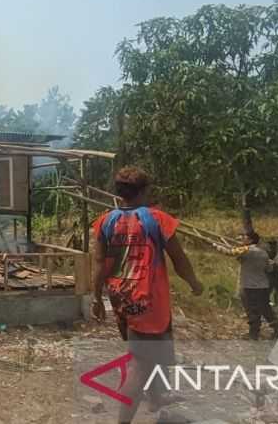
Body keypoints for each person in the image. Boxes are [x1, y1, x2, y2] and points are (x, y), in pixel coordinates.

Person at [91, 166, 203, 424]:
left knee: (148, 354)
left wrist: (97, 298)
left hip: (121, 297)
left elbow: (99, 263)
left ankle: (155, 399)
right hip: (149, 302)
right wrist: (194, 283)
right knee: (140, 364)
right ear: (143, 190)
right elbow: (179, 259)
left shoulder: (106, 221)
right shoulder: (157, 219)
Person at [236, 232, 278, 340]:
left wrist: (215, 246)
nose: (242, 238)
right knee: (265, 309)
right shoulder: (263, 253)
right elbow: (269, 269)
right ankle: (277, 329)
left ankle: (254, 333)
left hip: (250, 286)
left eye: (244, 237)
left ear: (251, 240)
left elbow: (229, 252)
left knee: (252, 310)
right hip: (262, 285)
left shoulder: (245, 251)